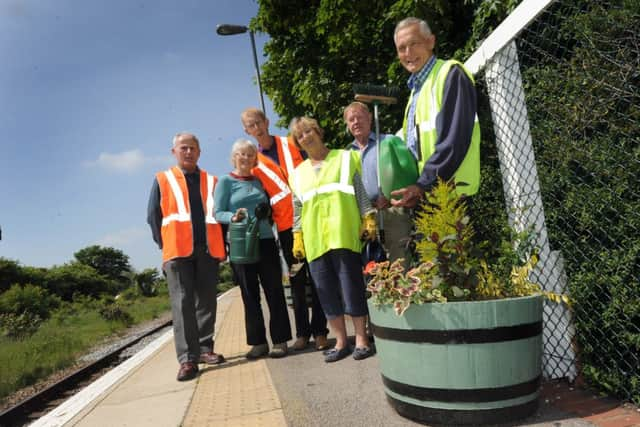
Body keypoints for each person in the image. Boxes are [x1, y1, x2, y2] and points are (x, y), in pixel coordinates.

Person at [288, 116, 376, 363]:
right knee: (325, 292)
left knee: (352, 288)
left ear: (318, 131)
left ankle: (361, 339)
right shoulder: (297, 174)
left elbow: (360, 192)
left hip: (343, 234)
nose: (306, 137)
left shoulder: (345, 158)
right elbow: (297, 209)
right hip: (316, 240)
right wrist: (297, 237)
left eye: (308, 131)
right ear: (298, 143)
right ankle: (340, 342)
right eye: (300, 136)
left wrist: (368, 218)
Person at [241, 107, 329, 352]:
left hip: (312, 218)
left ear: (267, 122)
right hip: (287, 228)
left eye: (259, 122)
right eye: (251, 126)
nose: (257, 128)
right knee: (297, 279)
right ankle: (302, 333)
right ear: (247, 130)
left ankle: (321, 331)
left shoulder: (291, 142)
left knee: (318, 276)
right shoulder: (253, 162)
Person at [147, 132, 226, 382]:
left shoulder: (212, 181)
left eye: (193, 148)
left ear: (199, 152)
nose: (189, 152)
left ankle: (204, 349)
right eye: (184, 148)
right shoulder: (162, 179)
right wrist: (165, 245)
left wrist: (222, 245)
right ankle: (187, 359)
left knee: (206, 302)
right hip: (177, 253)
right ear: (174, 152)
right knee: (182, 306)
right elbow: (153, 217)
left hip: (208, 251)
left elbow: (220, 214)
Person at [214, 139, 292, 359]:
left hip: (265, 240)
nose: (245, 158)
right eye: (241, 154)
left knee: (274, 291)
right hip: (241, 244)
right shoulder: (225, 182)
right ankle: (258, 343)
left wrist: (267, 211)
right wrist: (233, 216)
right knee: (250, 295)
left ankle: (280, 340)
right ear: (233, 157)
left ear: (254, 158)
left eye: (249, 154)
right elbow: (218, 212)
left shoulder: (260, 180)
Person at [391, 17, 480, 208]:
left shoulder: (450, 74)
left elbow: (454, 140)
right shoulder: (416, 92)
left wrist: (423, 184)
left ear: (431, 42)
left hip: (453, 193)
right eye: (401, 48)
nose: (408, 53)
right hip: (430, 194)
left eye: (414, 44)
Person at [344, 101, 413, 264]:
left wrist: (390, 197)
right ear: (347, 125)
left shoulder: (389, 142)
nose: (356, 122)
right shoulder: (346, 155)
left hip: (393, 211)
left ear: (369, 117)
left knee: (400, 262)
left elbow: (407, 174)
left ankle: (401, 290)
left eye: (359, 117)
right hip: (365, 218)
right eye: (351, 119)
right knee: (372, 267)